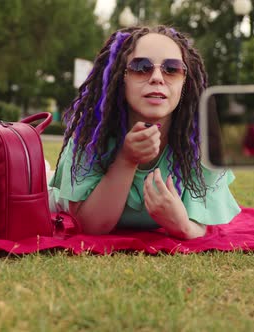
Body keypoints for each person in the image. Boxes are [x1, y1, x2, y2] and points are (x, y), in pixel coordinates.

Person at [48, 26, 240, 240]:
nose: (157, 77)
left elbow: (199, 226)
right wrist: (127, 159)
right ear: (121, 77)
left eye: (172, 69)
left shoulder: (201, 146)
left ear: (185, 80)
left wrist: (182, 225)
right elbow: (90, 226)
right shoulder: (91, 135)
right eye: (141, 67)